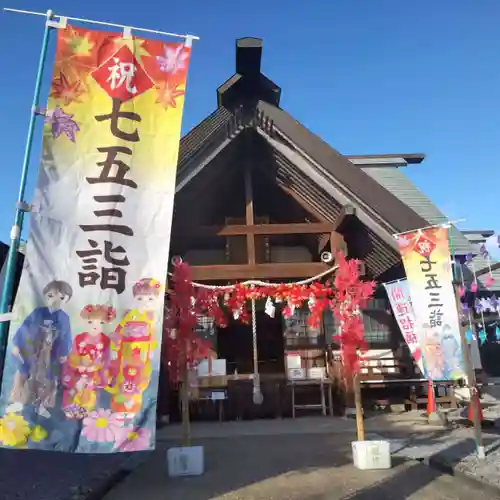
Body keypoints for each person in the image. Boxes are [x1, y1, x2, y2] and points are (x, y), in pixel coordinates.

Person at [6, 280, 73, 418]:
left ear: (67, 300)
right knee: (23, 372)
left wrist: (64, 352)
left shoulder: (64, 318)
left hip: (49, 353)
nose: (55, 300)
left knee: (48, 378)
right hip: (31, 349)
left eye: (61, 297)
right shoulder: (38, 312)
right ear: (44, 296)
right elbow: (24, 328)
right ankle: (18, 400)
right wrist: (17, 345)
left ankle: (42, 404)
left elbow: (66, 337)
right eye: (51, 295)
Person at [62, 304, 116, 414]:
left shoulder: (106, 340)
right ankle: (70, 405)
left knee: (90, 384)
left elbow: (106, 358)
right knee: (73, 383)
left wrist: (94, 367)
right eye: (90, 322)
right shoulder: (79, 338)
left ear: (105, 323)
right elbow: (74, 354)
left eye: (100, 323)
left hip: (96, 370)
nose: (94, 327)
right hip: (79, 367)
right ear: (85, 322)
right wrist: (78, 364)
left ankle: (86, 407)